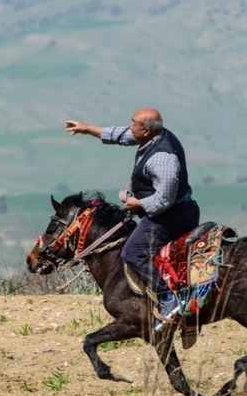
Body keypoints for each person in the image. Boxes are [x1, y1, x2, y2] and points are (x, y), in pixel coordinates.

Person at [65, 109, 200, 331]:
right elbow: (120, 135)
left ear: (146, 130)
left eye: (133, 124)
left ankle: (169, 298)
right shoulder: (153, 136)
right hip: (167, 212)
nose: (129, 127)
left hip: (171, 215)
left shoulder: (162, 158)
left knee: (132, 252)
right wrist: (86, 129)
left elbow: (163, 201)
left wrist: (138, 204)